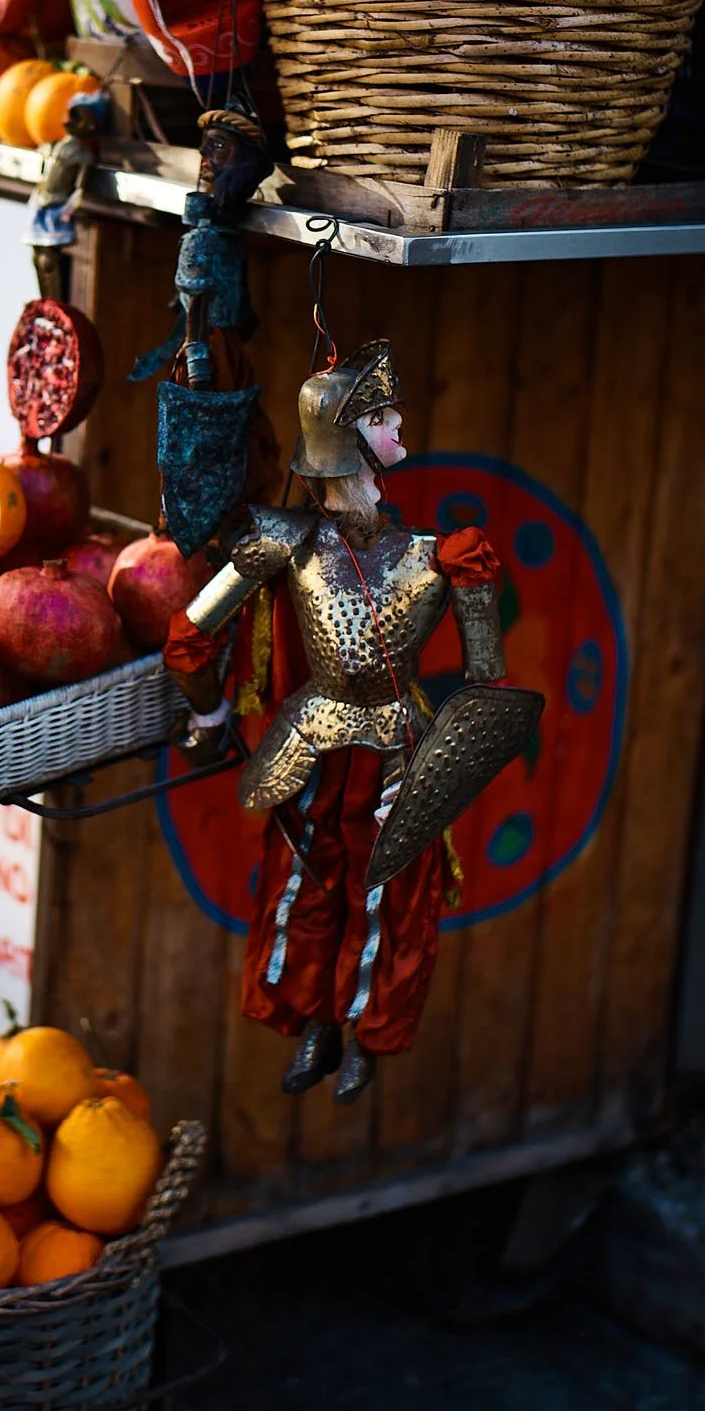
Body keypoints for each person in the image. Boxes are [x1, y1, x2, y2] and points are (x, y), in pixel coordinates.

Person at [164, 342, 507, 1104]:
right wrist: (213, 714)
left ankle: (367, 1034)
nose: (400, 433)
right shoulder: (280, 542)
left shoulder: (442, 556)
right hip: (309, 744)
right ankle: (316, 1021)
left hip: (400, 752)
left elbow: (487, 685)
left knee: (389, 896)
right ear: (350, 439)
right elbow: (189, 638)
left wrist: (451, 760)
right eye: (385, 419)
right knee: (305, 885)